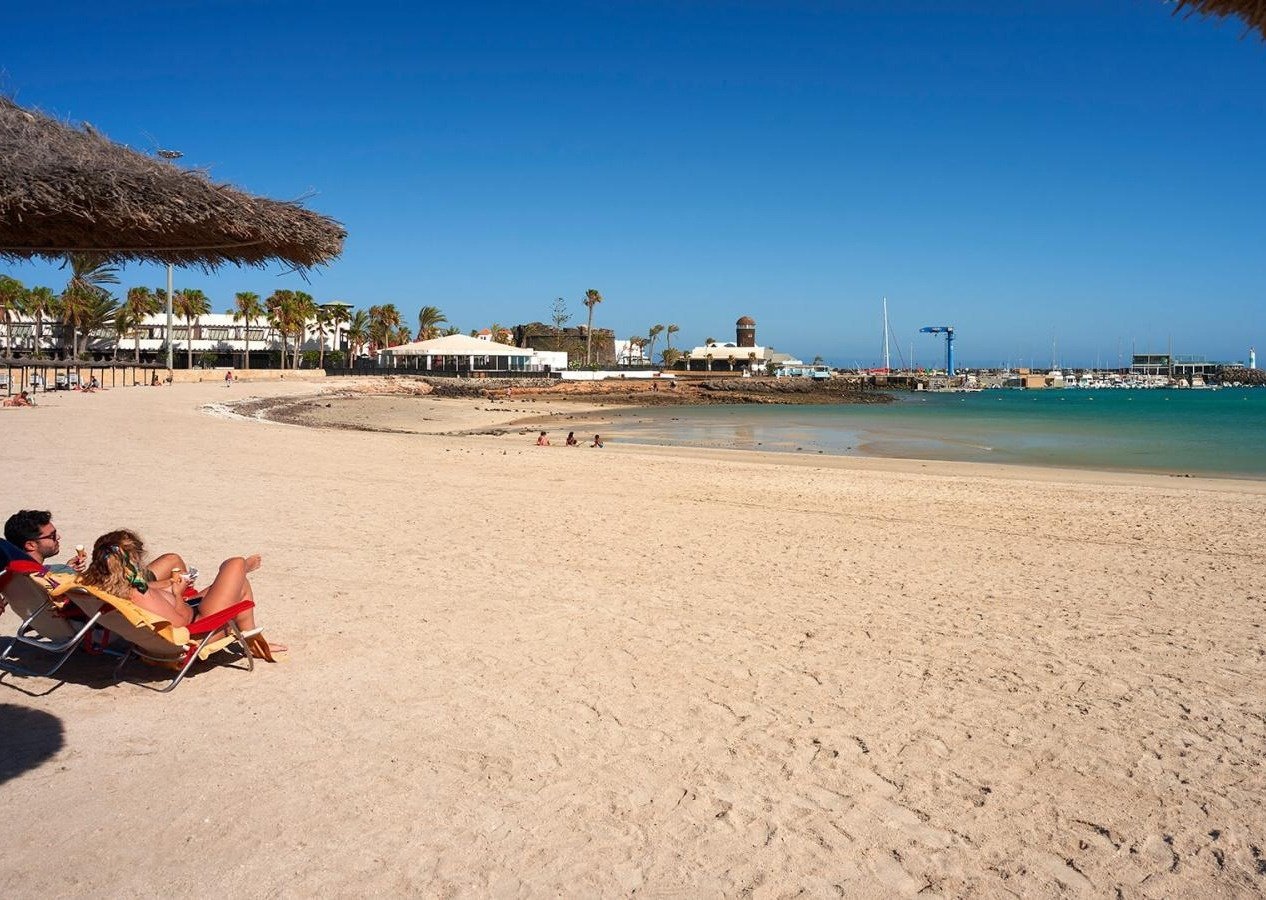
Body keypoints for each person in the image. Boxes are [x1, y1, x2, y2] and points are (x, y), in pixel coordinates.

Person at [80, 529, 282, 661]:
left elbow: (156, 601)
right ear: (132, 560)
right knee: (236, 564)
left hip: (190, 612)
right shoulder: (139, 594)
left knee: (238, 583)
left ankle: (252, 640)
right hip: (199, 629)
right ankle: (247, 567)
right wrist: (177, 594)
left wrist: (170, 586)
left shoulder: (112, 586)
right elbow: (180, 622)